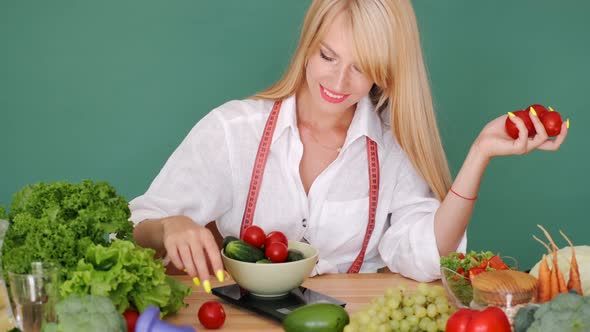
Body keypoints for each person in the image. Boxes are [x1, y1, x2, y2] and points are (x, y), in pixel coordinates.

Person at [129, 0, 568, 293]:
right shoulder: (232, 129)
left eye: (362, 67)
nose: (339, 83)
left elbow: (426, 256)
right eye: (328, 56)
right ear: (307, 47)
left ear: (387, 71)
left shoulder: (393, 151)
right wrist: (170, 226)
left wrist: (479, 155)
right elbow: (137, 224)